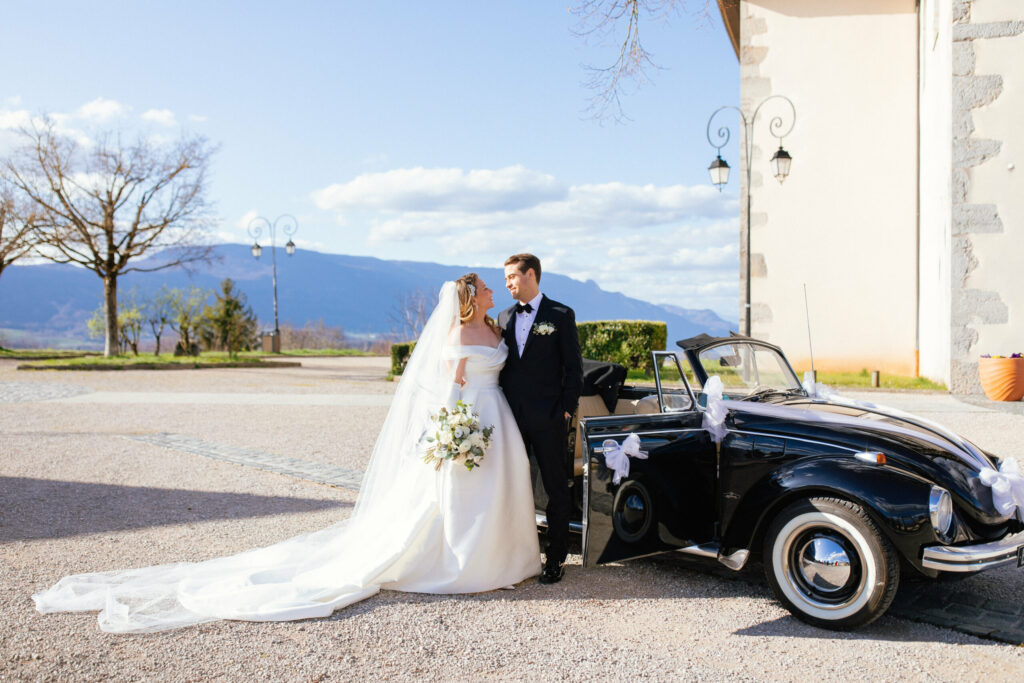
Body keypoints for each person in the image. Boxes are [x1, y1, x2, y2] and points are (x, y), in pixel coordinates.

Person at [32, 275, 540, 633]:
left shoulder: (494, 328)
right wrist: (450, 432)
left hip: (499, 418)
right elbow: (448, 386)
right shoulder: (455, 333)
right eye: (489, 287)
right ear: (471, 296)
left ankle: (506, 557)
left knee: (499, 489)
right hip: (467, 421)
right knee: (461, 493)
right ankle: (466, 564)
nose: (497, 290)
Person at [498, 254, 583, 585]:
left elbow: (573, 369)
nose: (507, 283)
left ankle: (556, 558)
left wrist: (565, 409)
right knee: (511, 486)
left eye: (511, 277)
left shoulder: (560, 315)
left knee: (555, 489)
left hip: (549, 417)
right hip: (511, 419)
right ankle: (513, 554)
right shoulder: (504, 316)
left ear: (530, 275)